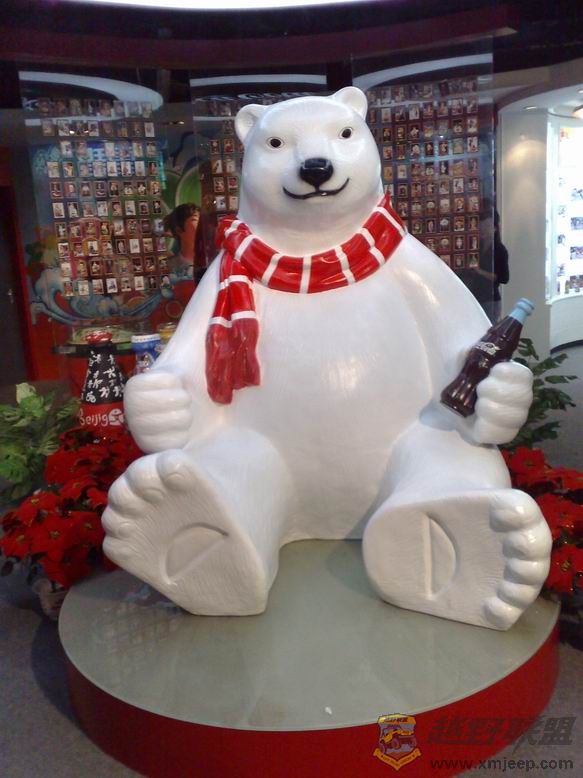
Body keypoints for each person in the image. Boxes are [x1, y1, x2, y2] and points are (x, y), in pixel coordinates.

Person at [464, 200, 509, 322]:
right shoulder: (476, 246)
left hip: (490, 300)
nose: (483, 229)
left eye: (487, 226)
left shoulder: (499, 249)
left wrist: (480, 272)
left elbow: (504, 278)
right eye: (481, 226)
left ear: (494, 229)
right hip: (475, 297)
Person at [164, 203, 206, 281]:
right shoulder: (169, 267)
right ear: (179, 230)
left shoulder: (212, 262)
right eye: (195, 220)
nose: (202, 224)